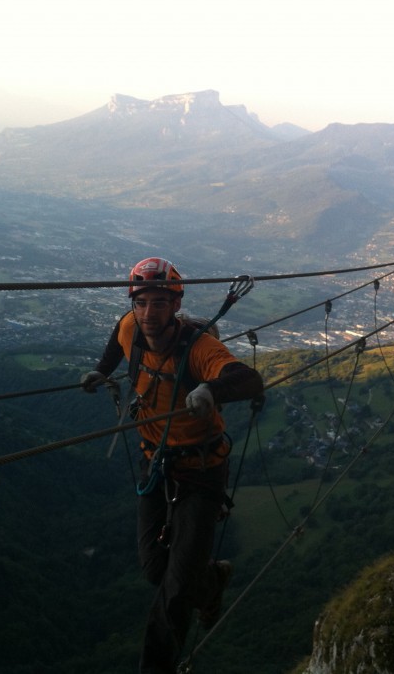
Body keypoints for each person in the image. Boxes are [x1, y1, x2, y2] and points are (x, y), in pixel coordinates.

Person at [81, 257, 264, 674]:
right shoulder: (131, 326)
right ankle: (212, 580)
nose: (149, 312)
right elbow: (118, 339)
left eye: (160, 302)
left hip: (201, 470)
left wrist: (210, 388)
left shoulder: (198, 347)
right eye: (142, 301)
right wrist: (102, 370)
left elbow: (249, 379)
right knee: (154, 569)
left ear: (175, 305)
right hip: (156, 462)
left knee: (177, 588)